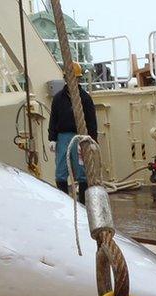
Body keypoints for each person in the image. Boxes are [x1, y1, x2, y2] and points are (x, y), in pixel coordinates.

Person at [48, 62, 98, 203]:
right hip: (62, 137)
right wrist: (52, 138)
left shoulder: (85, 98)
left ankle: (82, 203)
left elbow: (91, 121)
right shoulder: (58, 99)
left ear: (79, 79)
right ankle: (63, 201)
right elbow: (53, 119)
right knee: (61, 172)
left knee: (82, 171)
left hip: (80, 137)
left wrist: (93, 140)